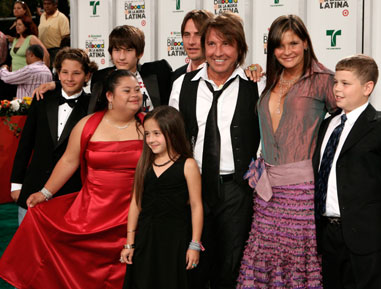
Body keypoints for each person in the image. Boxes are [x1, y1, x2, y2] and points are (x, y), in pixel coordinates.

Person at [0, 69, 145, 289]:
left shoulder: (149, 126)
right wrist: (44, 193)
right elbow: (69, 161)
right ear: (109, 96)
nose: (135, 95)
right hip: (91, 214)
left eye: (137, 90)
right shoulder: (88, 125)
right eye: (127, 90)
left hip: (134, 214)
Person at [236, 15, 337, 288]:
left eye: (294, 43)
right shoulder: (268, 79)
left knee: (296, 259)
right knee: (263, 255)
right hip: (266, 188)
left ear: (305, 43)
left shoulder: (324, 80)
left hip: (302, 190)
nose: (287, 51)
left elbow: (346, 127)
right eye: (280, 45)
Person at [170, 12, 264, 289]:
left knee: (230, 264)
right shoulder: (182, 85)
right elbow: (173, 139)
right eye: (211, 44)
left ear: (240, 49)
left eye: (227, 44)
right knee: (192, 262)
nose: (218, 52)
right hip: (192, 187)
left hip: (236, 189)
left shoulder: (256, 85)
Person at [312, 54, 381, 289]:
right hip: (327, 236)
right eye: (336, 82)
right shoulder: (328, 124)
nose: (337, 89)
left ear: (368, 87)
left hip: (367, 237)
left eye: (345, 84)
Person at [8, 47, 97, 225]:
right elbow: (26, 142)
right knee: (28, 244)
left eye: (76, 73)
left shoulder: (93, 106)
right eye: (64, 72)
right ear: (58, 73)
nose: (69, 78)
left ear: (87, 76)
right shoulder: (42, 98)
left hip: (72, 190)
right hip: (33, 184)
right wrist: (16, 183)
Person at [121, 105, 204, 289]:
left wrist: (194, 244)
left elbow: (196, 206)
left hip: (175, 240)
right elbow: (136, 204)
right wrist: (129, 243)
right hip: (146, 238)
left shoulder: (188, 165)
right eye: (147, 134)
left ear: (172, 132)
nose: (150, 139)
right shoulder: (144, 164)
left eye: (157, 133)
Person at [35, 25, 172, 114]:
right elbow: (84, 95)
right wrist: (56, 84)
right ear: (111, 52)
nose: (122, 57)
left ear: (140, 53)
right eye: (117, 50)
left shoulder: (158, 71)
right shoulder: (102, 77)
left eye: (128, 50)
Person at [172, 9, 214, 82]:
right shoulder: (177, 75)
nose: (191, 42)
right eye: (187, 35)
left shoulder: (219, 75)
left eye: (198, 35)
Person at [38, 0, 70, 67]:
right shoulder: (42, 16)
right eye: (44, 4)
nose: (46, 6)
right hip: (43, 51)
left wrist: (61, 54)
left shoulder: (62, 17)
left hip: (55, 51)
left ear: (55, 5)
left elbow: (66, 37)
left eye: (49, 4)